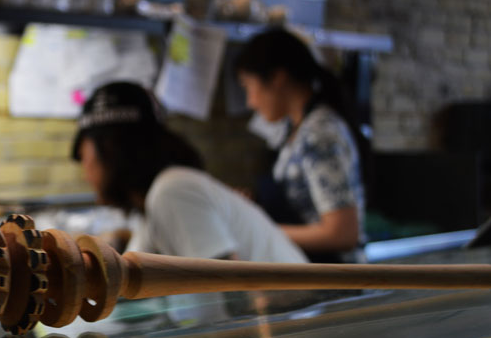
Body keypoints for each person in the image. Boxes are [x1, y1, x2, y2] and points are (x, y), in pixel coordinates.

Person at [72, 81, 306, 264]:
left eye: (83, 157)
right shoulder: (158, 199)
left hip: (299, 318)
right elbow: (130, 276)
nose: (84, 172)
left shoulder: (173, 190)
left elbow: (223, 294)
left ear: (110, 150)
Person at [234, 28, 371, 263]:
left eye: (248, 86)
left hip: (334, 282)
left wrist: (259, 230)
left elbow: (343, 233)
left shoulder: (319, 133)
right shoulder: (296, 130)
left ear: (277, 78)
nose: (250, 102)